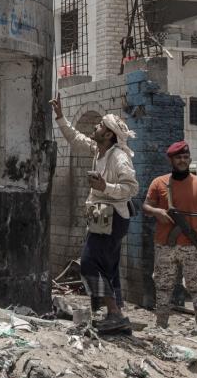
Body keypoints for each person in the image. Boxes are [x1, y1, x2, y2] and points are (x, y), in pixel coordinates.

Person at [50, 93, 138, 332]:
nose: (96, 127)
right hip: (102, 218)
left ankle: (114, 313)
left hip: (114, 218)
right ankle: (116, 315)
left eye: (100, 125)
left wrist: (104, 187)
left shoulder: (119, 157)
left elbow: (132, 187)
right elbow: (76, 138)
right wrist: (60, 117)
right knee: (108, 266)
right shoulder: (99, 150)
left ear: (109, 134)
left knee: (89, 264)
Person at [142, 140, 197, 335]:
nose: (183, 160)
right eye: (179, 157)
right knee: (163, 286)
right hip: (164, 245)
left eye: (186, 157)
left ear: (190, 159)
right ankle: (161, 326)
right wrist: (157, 212)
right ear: (171, 160)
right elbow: (145, 207)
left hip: (192, 246)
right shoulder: (159, 183)